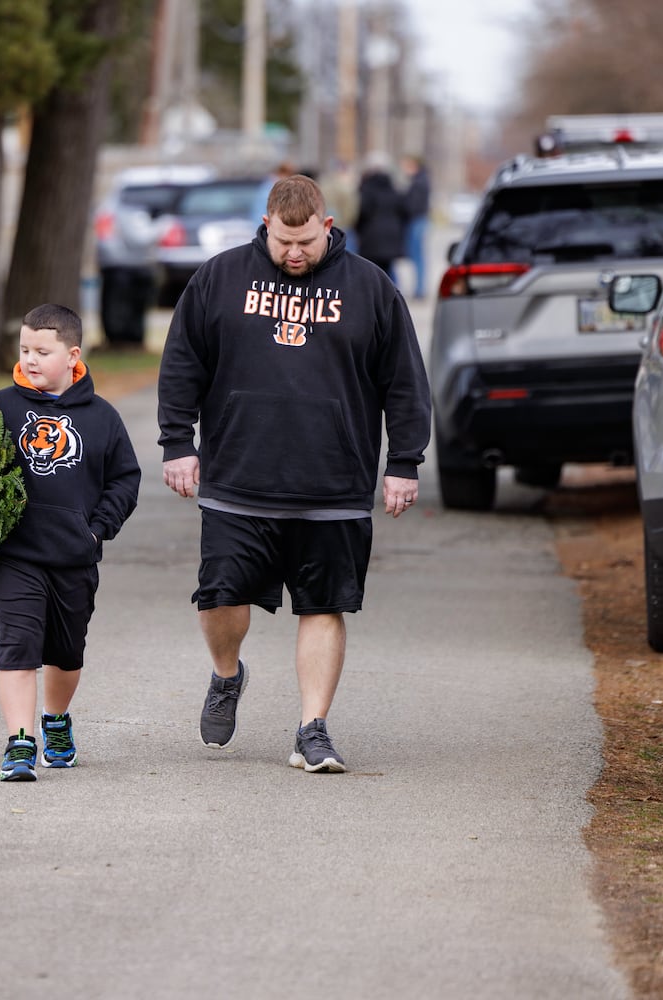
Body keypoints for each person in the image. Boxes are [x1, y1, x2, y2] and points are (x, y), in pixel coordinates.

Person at [157, 174, 431, 773]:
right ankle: (227, 675)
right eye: (283, 242)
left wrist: (403, 463)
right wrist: (177, 443)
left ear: (327, 227)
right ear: (266, 226)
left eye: (306, 241)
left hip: (333, 486)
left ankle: (313, 729)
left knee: (323, 606)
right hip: (237, 480)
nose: (295, 253)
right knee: (221, 597)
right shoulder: (220, 279)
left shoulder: (371, 288)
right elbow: (182, 364)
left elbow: (405, 383)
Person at [0, 303, 141, 782]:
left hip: (74, 555)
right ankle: (20, 743)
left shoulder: (102, 418)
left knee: (66, 654)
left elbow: (125, 480)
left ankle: (56, 720)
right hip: (14, 554)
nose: (29, 359)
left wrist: (97, 529)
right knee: (18, 644)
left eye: (41, 351)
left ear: (71, 355)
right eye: (24, 349)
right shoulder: (1, 408)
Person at [355, 156, 407, 285]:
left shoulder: (366, 188)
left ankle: (375, 295)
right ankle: (394, 294)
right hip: (391, 234)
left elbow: (363, 212)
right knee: (388, 267)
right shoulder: (393, 188)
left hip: (372, 235)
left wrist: (358, 229)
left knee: (370, 268)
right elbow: (403, 211)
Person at [401, 154, 433, 299]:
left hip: (417, 221)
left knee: (417, 257)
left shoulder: (418, 182)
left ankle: (420, 289)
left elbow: (412, 205)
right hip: (420, 221)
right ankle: (419, 288)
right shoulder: (422, 180)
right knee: (418, 257)